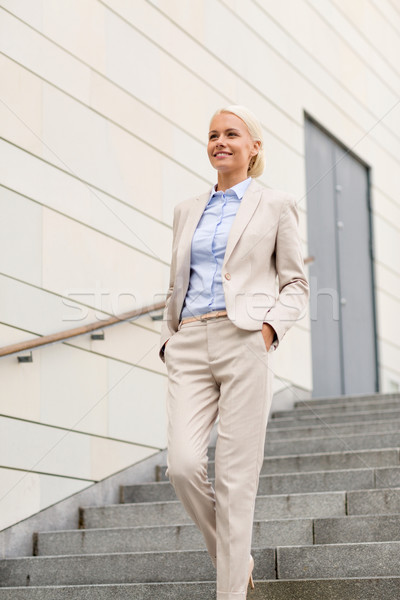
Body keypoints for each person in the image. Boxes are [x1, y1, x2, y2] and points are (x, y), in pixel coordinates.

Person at [159, 105, 309, 599]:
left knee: (236, 480)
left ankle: (231, 594)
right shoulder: (186, 209)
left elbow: (295, 283)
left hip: (244, 339)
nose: (219, 141)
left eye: (231, 134)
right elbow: (178, 280)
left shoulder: (276, 204)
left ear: (254, 147)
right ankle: (235, 558)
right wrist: (170, 336)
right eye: (212, 135)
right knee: (182, 464)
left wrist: (267, 331)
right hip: (189, 344)